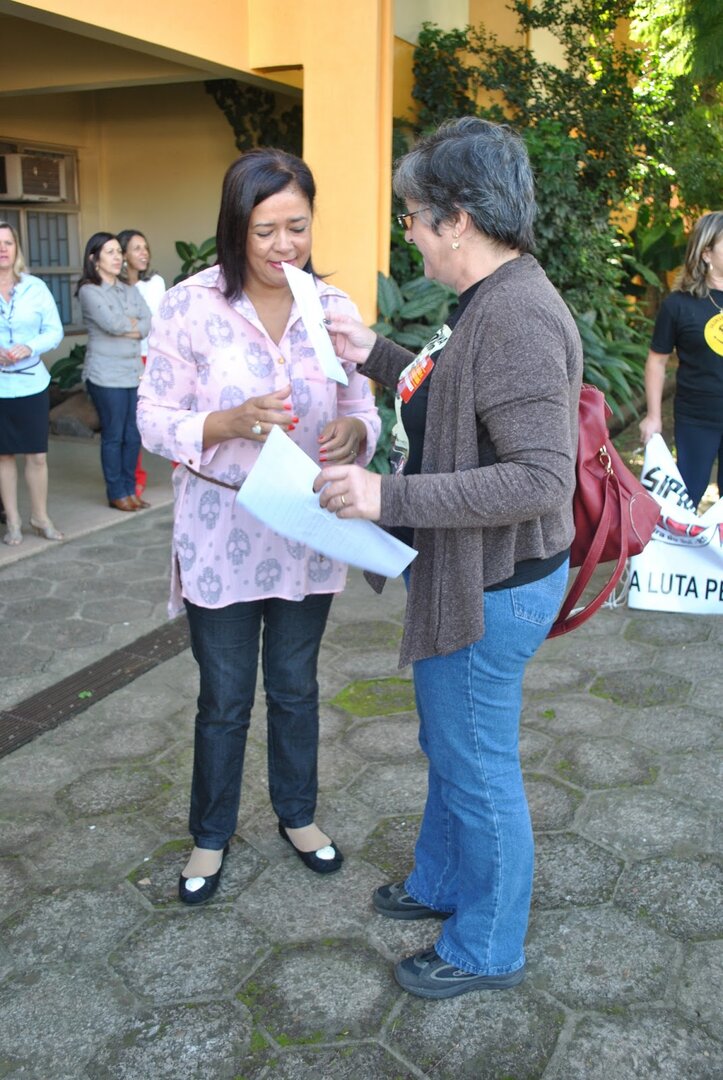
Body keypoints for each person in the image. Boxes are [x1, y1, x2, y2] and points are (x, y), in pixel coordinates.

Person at [314, 117, 583, 1000]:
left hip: (493, 589)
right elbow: (454, 398)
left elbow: (539, 478)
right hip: (476, 579)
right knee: (451, 744)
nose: (409, 234)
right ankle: (438, 881)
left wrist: (384, 498)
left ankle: (486, 946)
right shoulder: (489, 299)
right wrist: (374, 354)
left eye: (413, 217)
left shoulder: (516, 316)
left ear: (457, 219)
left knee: (476, 767)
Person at [137, 148, 380, 906]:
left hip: (308, 528)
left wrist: (356, 435)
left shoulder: (331, 307)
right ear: (235, 226)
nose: (284, 246)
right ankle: (210, 834)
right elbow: (152, 418)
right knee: (225, 696)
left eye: (297, 227)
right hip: (221, 529)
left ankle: (297, 816)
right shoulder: (189, 305)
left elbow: (362, 407)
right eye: (265, 230)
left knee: (295, 686)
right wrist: (228, 421)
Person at [639, 211, 723, 508]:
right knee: (687, 497)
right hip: (696, 418)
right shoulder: (678, 305)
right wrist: (653, 416)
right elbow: (657, 362)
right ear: (706, 253)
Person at [0, 221, 64, 545]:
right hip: (1, 387)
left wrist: (30, 346)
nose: (2, 249)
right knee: (3, 456)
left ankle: (40, 517)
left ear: (17, 248)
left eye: (8, 243)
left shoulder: (35, 287)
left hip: (32, 384)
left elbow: (54, 331)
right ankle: (12, 521)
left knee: (37, 455)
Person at [77, 232, 151, 511]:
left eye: (119, 251)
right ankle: (116, 492)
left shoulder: (129, 289)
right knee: (114, 434)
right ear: (94, 259)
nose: (118, 257)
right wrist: (131, 325)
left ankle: (130, 489)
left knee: (133, 434)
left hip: (132, 371)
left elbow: (148, 323)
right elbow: (113, 324)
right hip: (105, 375)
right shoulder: (89, 291)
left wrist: (130, 326)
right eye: (110, 252)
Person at [118, 229, 167, 499]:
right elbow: (115, 325)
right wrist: (137, 325)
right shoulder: (115, 287)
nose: (144, 253)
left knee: (168, 415)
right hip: (127, 359)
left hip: (155, 357)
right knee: (132, 422)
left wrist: (133, 325)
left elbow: (157, 322)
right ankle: (136, 477)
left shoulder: (155, 282)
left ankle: (183, 468)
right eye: (137, 248)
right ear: (123, 253)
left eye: (145, 247)